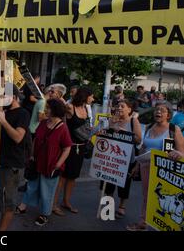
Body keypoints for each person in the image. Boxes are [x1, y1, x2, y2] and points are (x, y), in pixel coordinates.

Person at [127, 102, 184, 231]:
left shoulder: (173, 129)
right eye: (157, 110)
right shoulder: (148, 127)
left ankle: (162, 224)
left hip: (164, 170)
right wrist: (137, 164)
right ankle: (143, 222)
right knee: (146, 195)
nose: (158, 112)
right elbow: (143, 148)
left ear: (168, 115)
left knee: (162, 198)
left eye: (162, 110)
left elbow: (182, 152)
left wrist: (177, 154)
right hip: (146, 167)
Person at [16, 99, 72, 226]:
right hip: (37, 161)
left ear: (55, 110)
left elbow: (67, 148)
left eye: (48, 107)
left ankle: (45, 214)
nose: (45, 109)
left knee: (47, 191)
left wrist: (58, 164)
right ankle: (23, 206)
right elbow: (37, 139)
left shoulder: (62, 128)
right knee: (31, 185)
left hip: (51, 165)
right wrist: (31, 155)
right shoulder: (43, 123)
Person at [0, 83, 31, 231]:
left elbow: (18, 137)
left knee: (7, 203)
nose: (1, 100)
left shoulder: (23, 113)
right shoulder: (3, 111)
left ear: (15, 97)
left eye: (4, 97)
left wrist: (3, 121)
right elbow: (2, 138)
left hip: (12, 166)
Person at [52, 87, 94, 215]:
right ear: (85, 96)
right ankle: (53, 204)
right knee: (62, 177)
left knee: (72, 177)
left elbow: (87, 130)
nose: (93, 99)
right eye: (91, 96)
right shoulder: (70, 107)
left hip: (80, 147)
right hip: (68, 147)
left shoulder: (86, 109)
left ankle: (66, 201)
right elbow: (58, 116)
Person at [100, 99, 142, 219]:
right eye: (118, 106)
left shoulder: (133, 121)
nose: (119, 108)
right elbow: (104, 134)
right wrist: (111, 126)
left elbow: (139, 139)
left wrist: (125, 133)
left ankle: (122, 206)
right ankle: (109, 204)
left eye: (122, 106)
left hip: (127, 158)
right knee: (108, 181)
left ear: (129, 109)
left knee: (124, 183)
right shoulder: (112, 119)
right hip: (111, 156)